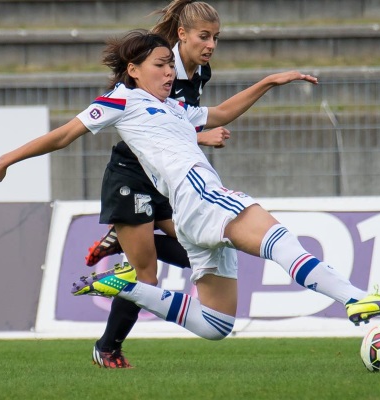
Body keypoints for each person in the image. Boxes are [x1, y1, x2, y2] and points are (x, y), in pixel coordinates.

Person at [0, 30, 380, 349]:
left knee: (216, 323)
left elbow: (221, 113)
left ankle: (122, 285)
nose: (169, 72)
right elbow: (62, 135)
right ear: (132, 69)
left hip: (187, 215)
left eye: (171, 65)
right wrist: (3, 162)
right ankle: (357, 299)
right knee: (280, 240)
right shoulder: (120, 100)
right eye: (159, 65)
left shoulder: (173, 108)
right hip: (200, 194)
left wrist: (267, 82)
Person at [85, 0, 226, 369]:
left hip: (161, 177)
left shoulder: (199, 72)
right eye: (204, 37)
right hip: (132, 173)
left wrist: (198, 134)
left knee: (195, 246)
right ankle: (107, 347)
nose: (210, 45)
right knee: (146, 275)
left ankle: (128, 241)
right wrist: (202, 137)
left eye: (215, 37)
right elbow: (147, 126)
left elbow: (177, 123)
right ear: (183, 35)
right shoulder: (158, 70)